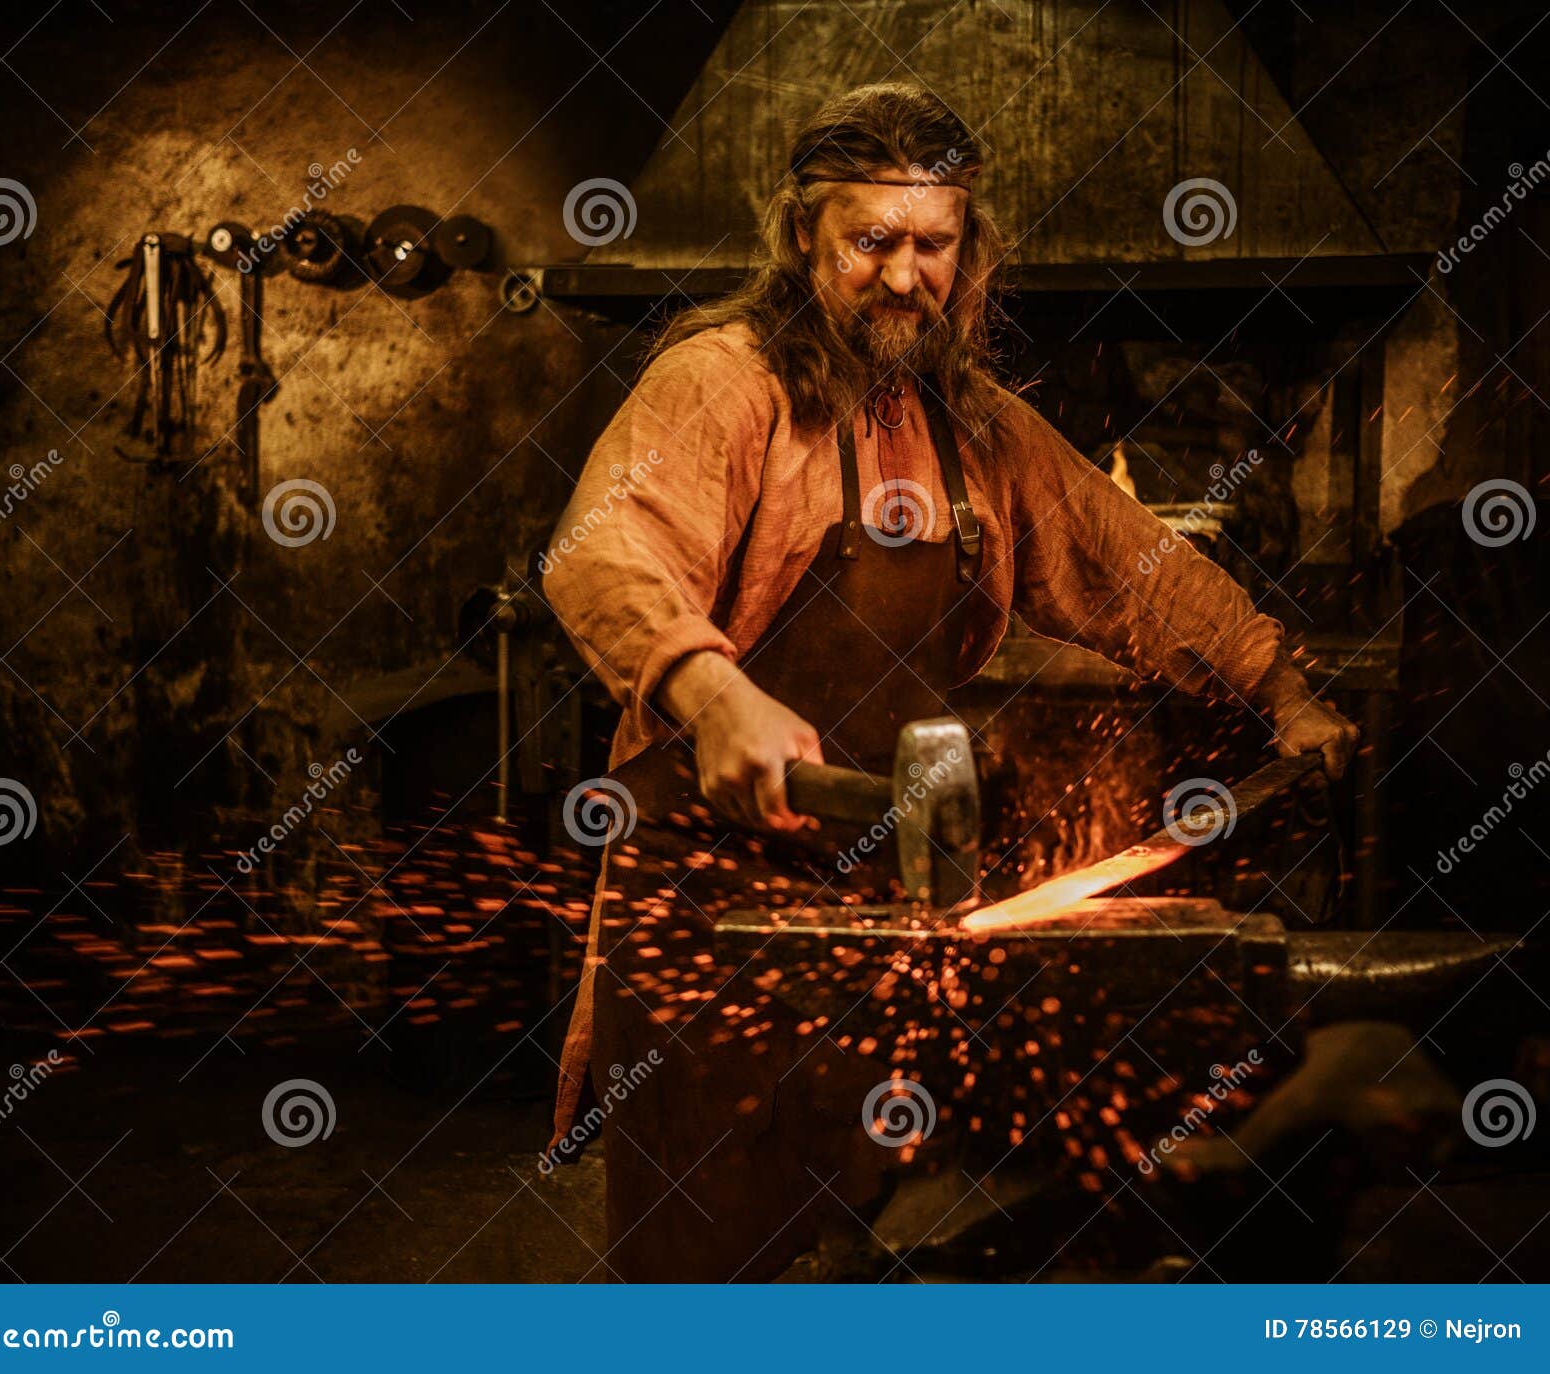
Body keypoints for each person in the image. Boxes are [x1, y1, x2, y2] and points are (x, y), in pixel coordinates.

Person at [540, 82, 1358, 1280]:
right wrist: (710, 692)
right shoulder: (723, 384)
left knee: (876, 1223)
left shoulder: (977, 427)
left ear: (968, 250)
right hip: (713, 902)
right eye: (870, 241)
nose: (903, 276)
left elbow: (1128, 565)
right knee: (714, 1241)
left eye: (932, 244)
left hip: (885, 891)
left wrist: (1279, 680)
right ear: (802, 238)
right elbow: (600, 551)